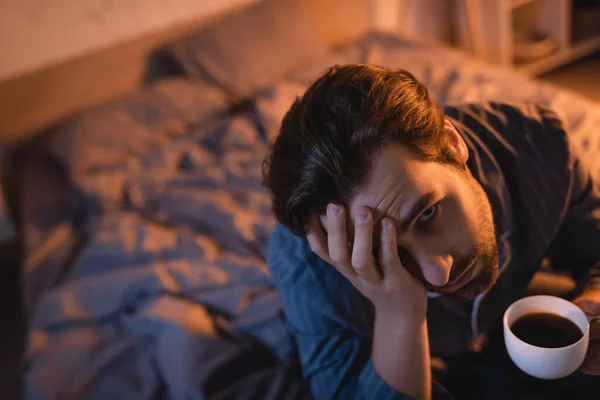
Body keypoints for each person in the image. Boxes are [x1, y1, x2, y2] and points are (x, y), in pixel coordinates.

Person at [262, 65, 600, 399]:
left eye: (428, 213)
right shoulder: (307, 269)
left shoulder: (538, 147)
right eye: (382, 251)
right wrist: (399, 316)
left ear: (452, 144)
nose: (438, 272)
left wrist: (596, 297)